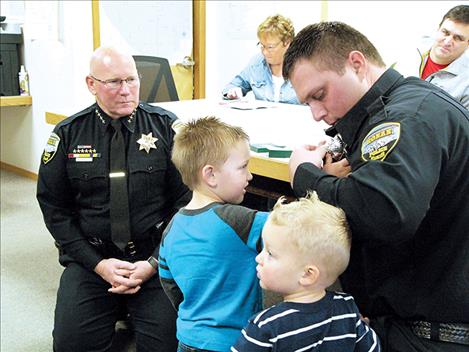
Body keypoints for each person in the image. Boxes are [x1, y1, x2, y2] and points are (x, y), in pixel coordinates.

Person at [282, 21, 469, 352]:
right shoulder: (402, 105)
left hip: (429, 333)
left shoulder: (407, 117)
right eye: (307, 102)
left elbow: (383, 213)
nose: (316, 113)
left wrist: (306, 176)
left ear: (356, 63)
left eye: (320, 95)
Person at [36, 46, 190, 351]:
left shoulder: (165, 128)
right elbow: (54, 209)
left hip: (154, 259)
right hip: (93, 260)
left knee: (171, 345)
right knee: (71, 346)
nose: (126, 91)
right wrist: (97, 264)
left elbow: (185, 203)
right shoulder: (68, 134)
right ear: (91, 84)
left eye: (132, 80)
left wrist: (155, 261)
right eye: (114, 82)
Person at [147, 116, 269, 351]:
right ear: (210, 175)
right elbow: (297, 228)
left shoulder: (172, 228)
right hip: (235, 342)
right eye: (243, 167)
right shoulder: (241, 220)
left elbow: (170, 284)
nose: (250, 176)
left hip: (187, 338)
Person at [232, 192, 380, 351]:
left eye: (270, 253)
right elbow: (372, 348)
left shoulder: (265, 327)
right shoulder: (347, 308)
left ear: (307, 274)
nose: (258, 258)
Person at [222, 14, 299, 104]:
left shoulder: (306, 66)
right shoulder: (256, 63)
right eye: (262, 45)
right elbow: (232, 86)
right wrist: (233, 92)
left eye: (270, 47)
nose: (264, 52)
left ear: (287, 43)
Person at [418, 5, 469, 109]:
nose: (447, 42)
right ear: (438, 28)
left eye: (458, 38)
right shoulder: (409, 50)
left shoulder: (466, 84)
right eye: (445, 32)